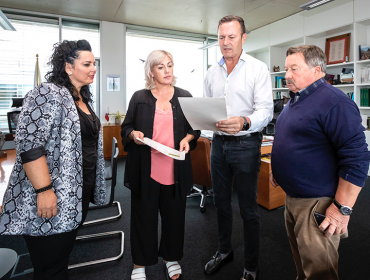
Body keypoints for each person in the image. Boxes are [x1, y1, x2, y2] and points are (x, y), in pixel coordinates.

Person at [0, 39, 106, 280]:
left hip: (76, 195)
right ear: (68, 67)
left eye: (94, 64)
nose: (93, 69)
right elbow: (30, 145)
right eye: (87, 64)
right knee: (51, 268)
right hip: (53, 195)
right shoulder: (48, 92)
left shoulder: (82, 98)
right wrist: (44, 190)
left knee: (59, 260)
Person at [270, 45, 370, 280]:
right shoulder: (295, 99)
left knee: (319, 271)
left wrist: (342, 209)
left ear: (317, 71)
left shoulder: (335, 102)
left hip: (317, 204)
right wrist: (278, 168)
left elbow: (357, 159)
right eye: (286, 69)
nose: (287, 75)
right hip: (294, 198)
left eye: (294, 68)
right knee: (303, 264)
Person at [203, 15, 273, 280]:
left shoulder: (257, 69)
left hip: (246, 144)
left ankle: (252, 265)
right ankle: (224, 251)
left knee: (248, 208)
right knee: (220, 203)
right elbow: (208, 109)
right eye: (221, 37)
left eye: (231, 37)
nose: (225, 42)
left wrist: (244, 121)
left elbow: (266, 111)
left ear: (244, 38)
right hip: (218, 144)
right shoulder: (212, 72)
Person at [121, 50, 200, 280]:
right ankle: (139, 264)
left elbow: (195, 129)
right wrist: (133, 134)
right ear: (151, 71)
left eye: (170, 65)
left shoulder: (185, 96)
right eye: (161, 67)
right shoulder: (139, 97)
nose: (167, 71)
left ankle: (170, 257)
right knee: (143, 217)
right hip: (146, 168)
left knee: (174, 217)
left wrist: (188, 139)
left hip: (175, 168)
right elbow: (126, 128)